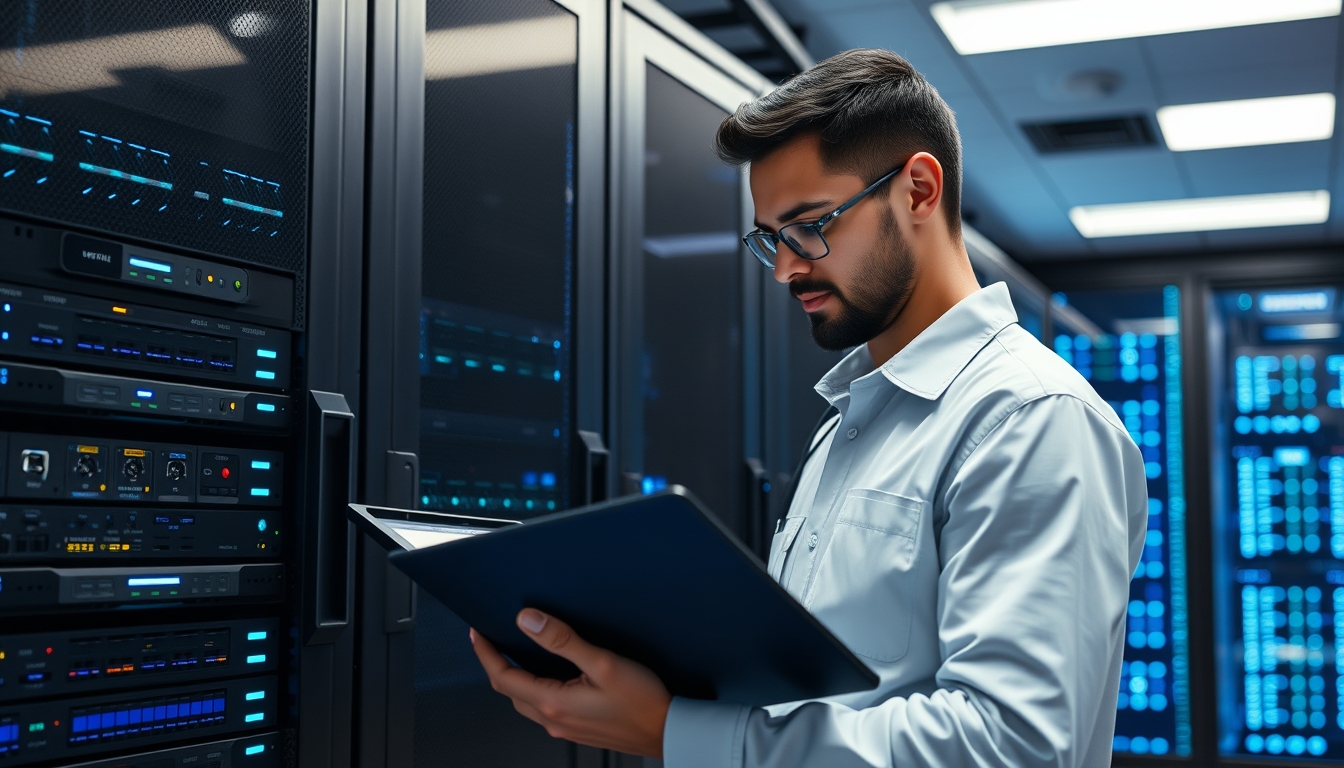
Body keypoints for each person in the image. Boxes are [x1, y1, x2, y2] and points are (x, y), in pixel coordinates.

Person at [469, 48, 1148, 767]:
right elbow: (817, 694)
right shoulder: (848, 425)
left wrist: (676, 733)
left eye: (810, 225)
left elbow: (1013, 748)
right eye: (770, 240)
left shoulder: (1030, 419)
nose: (788, 267)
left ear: (918, 190)